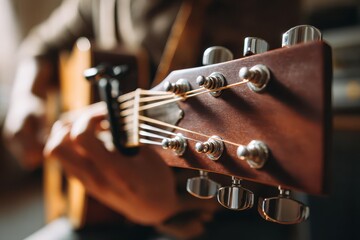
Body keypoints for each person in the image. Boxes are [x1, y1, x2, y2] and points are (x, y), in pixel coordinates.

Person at [3, 0, 301, 238]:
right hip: (108, 204)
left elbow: (258, 122)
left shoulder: (252, 8)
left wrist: (170, 212)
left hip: (222, 208)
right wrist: (25, 97)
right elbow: (39, 45)